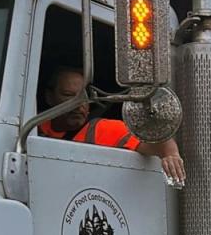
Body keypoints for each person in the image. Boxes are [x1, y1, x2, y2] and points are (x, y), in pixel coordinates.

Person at [39, 66, 186, 184]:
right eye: (69, 95)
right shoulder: (33, 128)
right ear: (49, 97)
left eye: (84, 97)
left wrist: (171, 154)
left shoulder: (103, 129)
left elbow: (155, 141)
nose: (80, 105)